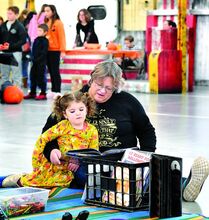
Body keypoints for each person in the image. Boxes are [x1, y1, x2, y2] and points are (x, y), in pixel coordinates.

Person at [43, 60, 156, 164]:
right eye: (99, 85)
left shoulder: (128, 101)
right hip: (78, 166)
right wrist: (52, 150)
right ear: (91, 80)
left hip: (120, 166)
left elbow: (146, 131)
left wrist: (145, 156)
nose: (102, 91)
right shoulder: (73, 100)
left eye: (109, 88)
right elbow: (48, 132)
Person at [0, 91, 98, 188]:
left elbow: (94, 153)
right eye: (72, 111)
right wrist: (38, 163)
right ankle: (9, 180)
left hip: (76, 167)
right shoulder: (62, 126)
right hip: (58, 166)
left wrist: (79, 161)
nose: (78, 114)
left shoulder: (92, 130)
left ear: (87, 110)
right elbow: (43, 138)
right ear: (65, 114)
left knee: (77, 181)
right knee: (36, 182)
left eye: (81, 109)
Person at [0, 6, 27, 88]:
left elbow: (23, 41)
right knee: (4, 75)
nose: (8, 15)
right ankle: (4, 93)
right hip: (4, 53)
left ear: (16, 15)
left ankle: (16, 94)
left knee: (16, 75)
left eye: (10, 14)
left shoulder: (20, 26)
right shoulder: (3, 25)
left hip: (15, 53)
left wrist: (10, 46)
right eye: (7, 13)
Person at [44, 4, 66, 97]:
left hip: (55, 50)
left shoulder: (58, 23)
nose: (46, 13)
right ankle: (53, 90)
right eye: (45, 11)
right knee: (50, 71)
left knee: (55, 71)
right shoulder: (47, 22)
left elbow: (62, 37)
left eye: (48, 11)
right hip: (47, 50)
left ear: (53, 11)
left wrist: (62, 50)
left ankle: (58, 90)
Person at [24, 24, 49, 100]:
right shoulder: (36, 40)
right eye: (37, 30)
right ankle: (32, 92)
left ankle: (43, 93)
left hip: (41, 63)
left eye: (40, 30)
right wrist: (31, 57)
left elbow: (44, 53)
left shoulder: (45, 41)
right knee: (32, 77)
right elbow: (33, 51)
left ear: (45, 32)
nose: (38, 32)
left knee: (41, 78)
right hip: (34, 63)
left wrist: (37, 59)